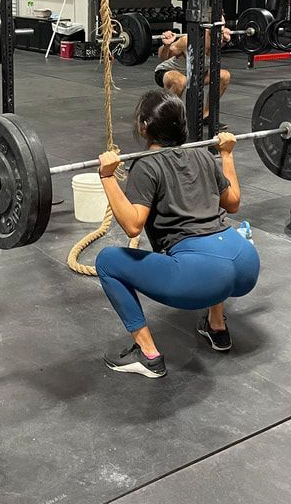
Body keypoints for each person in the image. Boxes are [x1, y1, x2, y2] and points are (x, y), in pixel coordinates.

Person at [93, 89, 260, 378]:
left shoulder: (146, 165)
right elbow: (232, 203)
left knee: (108, 261)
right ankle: (216, 326)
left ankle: (147, 355)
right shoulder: (202, 156)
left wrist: (107, 177)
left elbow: (133, 225)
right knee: (206, 242)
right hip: (245, 262)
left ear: (144, 127)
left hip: (203, 273)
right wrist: (226, 155)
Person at [154, 20, 232, 125]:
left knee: (224, 76)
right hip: (168, 71)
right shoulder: (187, 40)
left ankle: (206, 115)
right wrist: (166, 46)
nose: (222, 28)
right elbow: (163, 57)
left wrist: (226, 41)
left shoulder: (218, 40)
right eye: (219, 25)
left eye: (223, 25)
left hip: (195, 74)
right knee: (180, 81)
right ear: (208, 27)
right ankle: (167, 118)